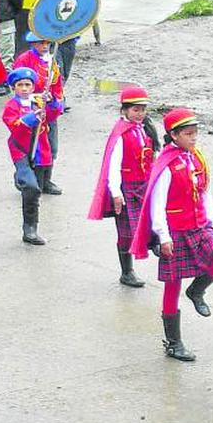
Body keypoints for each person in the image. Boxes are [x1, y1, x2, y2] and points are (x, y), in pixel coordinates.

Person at [130, 108, 213, 362]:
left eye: (195, 133)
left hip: (199, 225)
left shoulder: (197, 157)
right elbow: (157, 204)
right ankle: (173, 343)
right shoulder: (167, 164)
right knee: (172, 285)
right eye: (188, 134)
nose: (194, 137)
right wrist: (163, 236)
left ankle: (197, 291)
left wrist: (210, 221)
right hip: (175, 230)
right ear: (174, 135)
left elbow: (205, 190)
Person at [87, 86, 161, 288]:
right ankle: (127, 272)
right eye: (135, 110)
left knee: (153, 218)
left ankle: (154, 243)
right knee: (126, 231)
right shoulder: (120, 134)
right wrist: (116, 193)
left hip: (145, 186)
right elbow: (113, 165)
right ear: (124, 110)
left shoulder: (145, 129)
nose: (140, 114)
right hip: (127, 188)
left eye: (142, 110)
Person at [1, 68, 63, 245]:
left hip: (40, 150)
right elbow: (14, 126)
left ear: (33, 86)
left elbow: (53, 115)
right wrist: (31, 118)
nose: (24, 88)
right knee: (31, 187)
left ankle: (31, 225)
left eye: (27, 85)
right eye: (20, 85)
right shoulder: (11, 106)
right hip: (21, 150)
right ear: (14, 88)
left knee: (36, 191)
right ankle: (29, 230)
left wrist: (51, 102)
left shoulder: (39, 100)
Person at [13, 33, 64, 194]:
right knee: (30, 148)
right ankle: (27, 179)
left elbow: (57, 84)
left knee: (51, 147)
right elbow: (19, 85)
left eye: (47, 43)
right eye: (41, 43)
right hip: (31, 111)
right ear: (33, 44)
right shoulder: (24, 60)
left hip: (49, 111)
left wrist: (56, 101)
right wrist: (34, 99)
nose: (45, 46)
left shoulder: (51, 61)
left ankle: (46, 180)